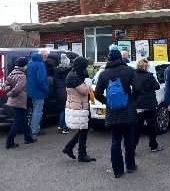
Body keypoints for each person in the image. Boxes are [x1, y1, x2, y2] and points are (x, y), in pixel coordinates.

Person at [94, 45, 139, 178]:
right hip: (127, 110)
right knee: (129, 140)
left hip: (113, 112)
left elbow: (97, 94)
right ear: (120, 57)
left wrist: (107, 102)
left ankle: (117, 171)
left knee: (115, 141)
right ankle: (130, 166)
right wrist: (131, 99)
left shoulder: (103, 74)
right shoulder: (129, 70)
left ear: (108, 59)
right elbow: (138, 88)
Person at [62, 56, 96, 163]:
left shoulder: (73, 74)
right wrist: (88, 79)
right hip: (78, 107)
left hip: (79, 106)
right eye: (85, 67)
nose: (86, 69)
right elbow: (84, 91)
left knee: (84, 129)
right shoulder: (74, 77)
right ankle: (81, 154)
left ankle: (69, 148)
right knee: (84, 129)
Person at [2, 57, 37, 149]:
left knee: (24, 120)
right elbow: (18, 89)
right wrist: (10, 93)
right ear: (24, 65)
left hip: (14, 101)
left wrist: (7, 90)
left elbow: (4, 85)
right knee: (17, 122)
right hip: (19, 101)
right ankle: (9, 141)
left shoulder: (12, 73)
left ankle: (28, 137)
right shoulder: (22, 76)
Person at [134, 58, 163, 152]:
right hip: (150, 105)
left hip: (138, 104)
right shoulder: (149, 76)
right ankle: (153, 146)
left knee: (137, 127)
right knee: (151, 126)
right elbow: (157, 86)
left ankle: (132, 148)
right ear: (146, 67)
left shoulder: (133, 76)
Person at [27, 49, 49, 136]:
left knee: (34, 110)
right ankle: (35, 130)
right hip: (39, 91)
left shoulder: (30, 62)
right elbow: (41, 80)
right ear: (44, 56)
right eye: (46, 57)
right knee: (38, 111)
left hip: (31, 90)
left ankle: (33, 127)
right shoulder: (41, 65)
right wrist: (46, 90)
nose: (47, 59)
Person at [54, 53, 72, 134]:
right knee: (66, 110)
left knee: (62, 109)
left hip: (59, 91)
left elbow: (54, 82)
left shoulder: (56, 71)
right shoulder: (69, 71)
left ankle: (61, 125)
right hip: (66, 91)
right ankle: (65, 128)